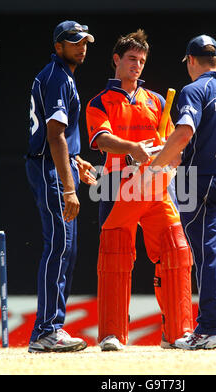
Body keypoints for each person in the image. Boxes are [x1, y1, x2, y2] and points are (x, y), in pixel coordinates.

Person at [86, 29, 194, 351]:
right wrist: (134, 148)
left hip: (156, 187)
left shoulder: (158, 101)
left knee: (176, 250)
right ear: (116, 60)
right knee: (115, 255)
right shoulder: (100, 102)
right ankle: (111, 335)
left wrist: (168, 160)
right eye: (131, 58)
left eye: (142, 60)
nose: (137, 65)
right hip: (119, 187)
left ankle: (177, 333)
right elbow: (100, 139)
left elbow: (176, 145)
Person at [149, 34, 216, 350]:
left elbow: (185, 133)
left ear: (191, 61)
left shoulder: (195, 89)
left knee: (207, 254)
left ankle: (209, 329)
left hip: (204, 181)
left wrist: (155, 165)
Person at [25, 20, 97, 353]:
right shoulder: (56, 77)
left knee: (66, 247)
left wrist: (76, 161)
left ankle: (51, 328)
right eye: (74, 42)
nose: (81, 46)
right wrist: (69, 188)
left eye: (84, 41)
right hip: (47, 166)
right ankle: (46, 331)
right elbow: (53, 137)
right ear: (58, 47)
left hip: (55, 164)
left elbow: (63, 136)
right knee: (58, 245)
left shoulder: (62, 76)